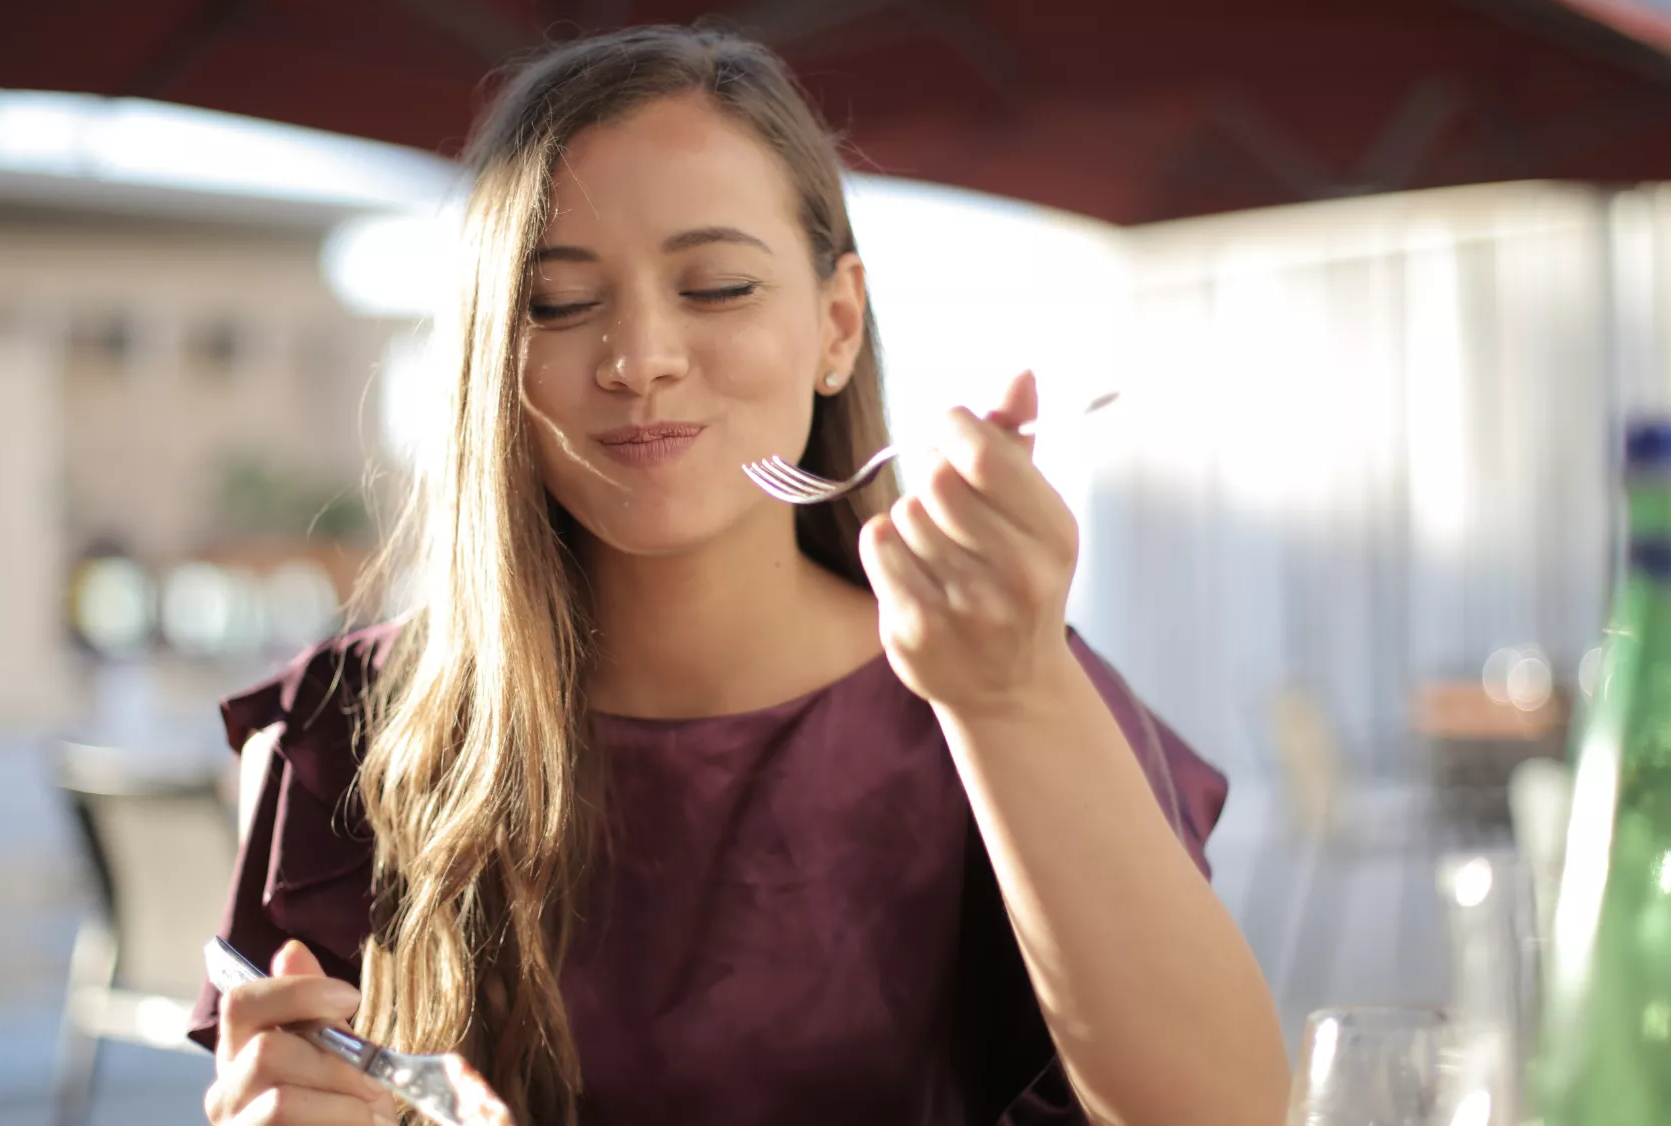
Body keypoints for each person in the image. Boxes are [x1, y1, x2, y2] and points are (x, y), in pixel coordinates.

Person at [191, 23, 1286, 1126]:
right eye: (560, 303)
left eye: (715, 287)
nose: (639, 358)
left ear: (837, 326)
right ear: (491, 357)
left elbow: (1220, 1112)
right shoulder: (349, 733)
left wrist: (1012, 694)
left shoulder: (997, 688)